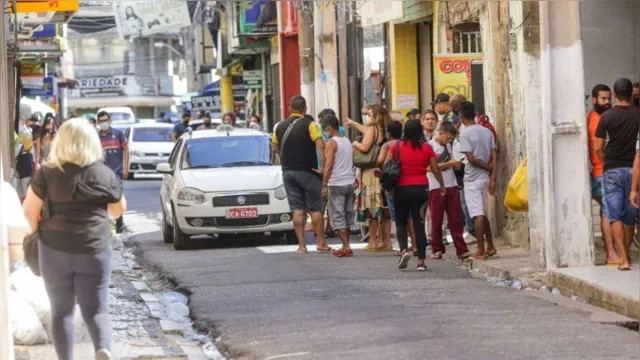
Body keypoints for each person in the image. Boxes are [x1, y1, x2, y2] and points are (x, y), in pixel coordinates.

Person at [22, 118, 127, 360]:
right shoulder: (103, 173)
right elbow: (118, 209)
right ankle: (103, 348)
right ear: (92, 143)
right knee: (97, 309)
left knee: (61, 311)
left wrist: (39, 230)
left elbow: (29, 209)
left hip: (55, 249)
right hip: (94, 248)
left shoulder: (47, 173)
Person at [271, 95, 331, 253]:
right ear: (305, 109)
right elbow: (320, 145)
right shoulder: (310, 124)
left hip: (288, 172)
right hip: (308, 171)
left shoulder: (279, 126)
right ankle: (320, 243)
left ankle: (302, 246)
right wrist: (322, 167)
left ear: (290, 109)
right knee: (316, 207)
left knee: (297, 208)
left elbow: (274, 148)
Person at [385, 119, 446, 271]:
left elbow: (386, 166)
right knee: (419, 223)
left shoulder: (396, 146)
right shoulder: (427, 148)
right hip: (421, 189)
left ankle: (404, 250)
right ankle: (421, 261)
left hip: (401, 189)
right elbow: (435, 169)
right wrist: (442, 185)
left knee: (400, 222)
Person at [597, 78, 639, 271]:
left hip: (612, 168)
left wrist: (606, 159)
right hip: (634, 170)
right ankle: (627, 253)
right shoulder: (638, 115)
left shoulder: (606, 116)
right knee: (630, 216)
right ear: (632, 94)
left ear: (614, 95)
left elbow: (598, 146)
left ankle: (623, 258)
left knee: (614, 215)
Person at [346, 104, 393, 252]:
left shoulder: (372, 129)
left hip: (370, 173)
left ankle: (373, 241)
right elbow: (365, 130)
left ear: (376, 116)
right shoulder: (385, 129)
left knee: (371, 208)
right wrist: (353, 123)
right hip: (383, 170)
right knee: (384, 208)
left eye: (370, 114)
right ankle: (386, 241)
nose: (368, 117)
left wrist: (355, 143)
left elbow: (365, 147)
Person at [459, 101, 497, 260]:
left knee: (477, 215)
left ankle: (480, 250)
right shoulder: (486, 132)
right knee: (481, 211)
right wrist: (493, 175)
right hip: (485, 178)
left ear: (461, 116)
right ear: (475, 114)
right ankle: (490, 246)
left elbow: (471, 159)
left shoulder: (464, 134)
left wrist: (487, 169)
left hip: (473, 178)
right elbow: (494, 154)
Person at [428, 122, 470, 259]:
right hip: (435, 186)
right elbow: (428, 168)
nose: (449, 140)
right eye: (448, 137)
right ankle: (437, 248)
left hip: (451, 184)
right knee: (437, 219)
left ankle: (461, 248)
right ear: (441, 133)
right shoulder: (430, 146)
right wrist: (449, 164)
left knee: (455, 218)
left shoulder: (448, 146)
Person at [587, 84, 617, 265]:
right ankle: (612, 254)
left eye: (608, 98)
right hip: (603, 172)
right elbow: (598, 148)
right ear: (594, 100)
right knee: (608, 211)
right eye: (603, 99)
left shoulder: (592, 117)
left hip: (599, 172)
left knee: (607, 211)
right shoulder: (598, 120)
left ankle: (611, 251)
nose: (607, 102)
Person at [378, 120, 418, 255]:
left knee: (398, 217)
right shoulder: (407, 144)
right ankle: (415, 245)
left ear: (388, 133)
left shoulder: (388, 145)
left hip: (393, 184)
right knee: (411, 216)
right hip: (410, 183)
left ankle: (403, 247)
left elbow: (382, 162)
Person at [321, 115, 356, 257]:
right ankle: (345, 245)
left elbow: (329, 165)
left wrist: (324, 183)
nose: (325, 132)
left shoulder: (332, 143)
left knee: (338, 216)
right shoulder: (347, 141)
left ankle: (346, 246)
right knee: (347, 214)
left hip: (336, 183)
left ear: (329, 128)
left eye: (324, 130)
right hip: (349, 182)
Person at [97, 111, 129, 234]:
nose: (104, 123)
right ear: (98, 122)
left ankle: (119, 222)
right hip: (102, 173)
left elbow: (126, 150)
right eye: (101, 121)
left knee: (117, 197)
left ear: (110, 120)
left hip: (117, 172)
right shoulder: (96, 136)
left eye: (106, 120)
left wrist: (126, 168)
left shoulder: (118, 134)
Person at [15, 103, 36, 201]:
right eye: (27, 110)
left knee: (27, 183)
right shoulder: (18, 126)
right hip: (23, 157)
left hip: (28, 157)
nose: (29, 113)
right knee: (24, 184)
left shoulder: (24, 126)